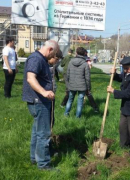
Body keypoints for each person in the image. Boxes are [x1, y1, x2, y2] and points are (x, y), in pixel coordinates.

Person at [22, 40, 59, 170]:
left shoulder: (41, 59)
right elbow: (30, 78)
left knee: (37, 131)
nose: (53, 56)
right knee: (43, 133)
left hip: (39, 101)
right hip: (39, 101)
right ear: (49, 50)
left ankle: (34, 158)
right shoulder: (36, 59)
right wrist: (44, 92)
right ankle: (43, 165)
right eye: (54, 53)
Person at [64, 47, 90, 118]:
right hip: (82, 86)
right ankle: (77, 117)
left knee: (70, 100)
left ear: (76, 53)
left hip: (72, 85)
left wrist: (67, 86)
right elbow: (87, 77)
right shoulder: (85, 64)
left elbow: (67, 75)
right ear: (84, 54)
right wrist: (88, 88)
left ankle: (66, 114)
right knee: (80, 103)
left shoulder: (70, 62)